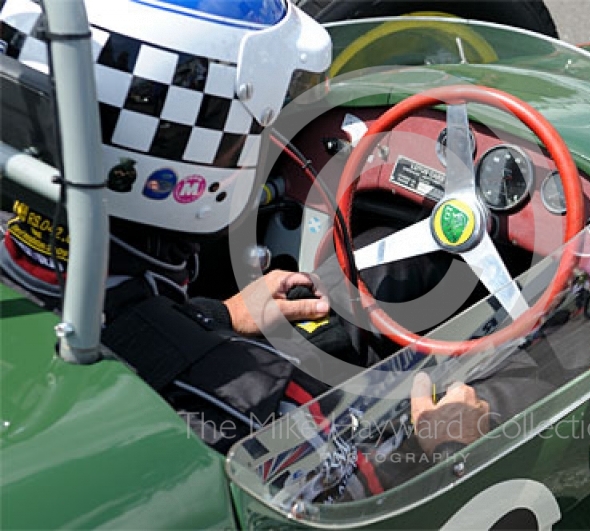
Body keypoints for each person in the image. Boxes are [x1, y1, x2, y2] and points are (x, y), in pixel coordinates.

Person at [0, 0, 490, 458]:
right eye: (245, 132)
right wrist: (442, 453)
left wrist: (211, 316)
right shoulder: (257, 405)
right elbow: (372, 501)